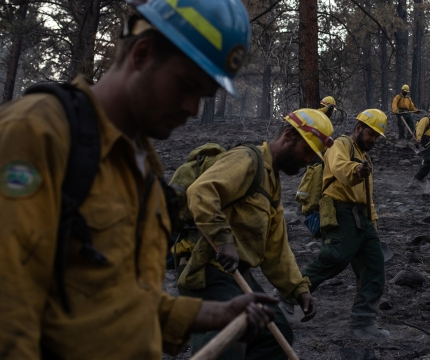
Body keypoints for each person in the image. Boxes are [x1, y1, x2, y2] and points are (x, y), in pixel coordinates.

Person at [0, 0, 277, 359]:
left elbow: (120, 304)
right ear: (143, 53)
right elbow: (8, 312)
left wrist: (214, 313)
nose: (193, 108)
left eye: (205, 96)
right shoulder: (37, 134)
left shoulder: (142, 165)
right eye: (186, 85)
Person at [177, 109, 333, 359]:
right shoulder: (247, 159)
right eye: (307, 152)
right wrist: (223, 239)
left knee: (276, 335)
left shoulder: (272, 185)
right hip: (208, 267)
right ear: (289, 136)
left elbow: (276, 250)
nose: (308, 161)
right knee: (223, 342)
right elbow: (201, 192)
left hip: (237, 273)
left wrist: (299, 290)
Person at [300, 109, 390, 338]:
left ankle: (363, 323)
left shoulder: (365, 157)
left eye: (377, 136)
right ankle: (287, 296)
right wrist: (356, 169)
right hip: (341, 211)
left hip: (363, 218)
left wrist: (374, 223)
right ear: (359, 128)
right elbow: (341, 168)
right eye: (371, 134)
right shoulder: (341, 145)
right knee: (334, 258)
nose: (373, 139)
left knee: (374, 268)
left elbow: (367, 196)